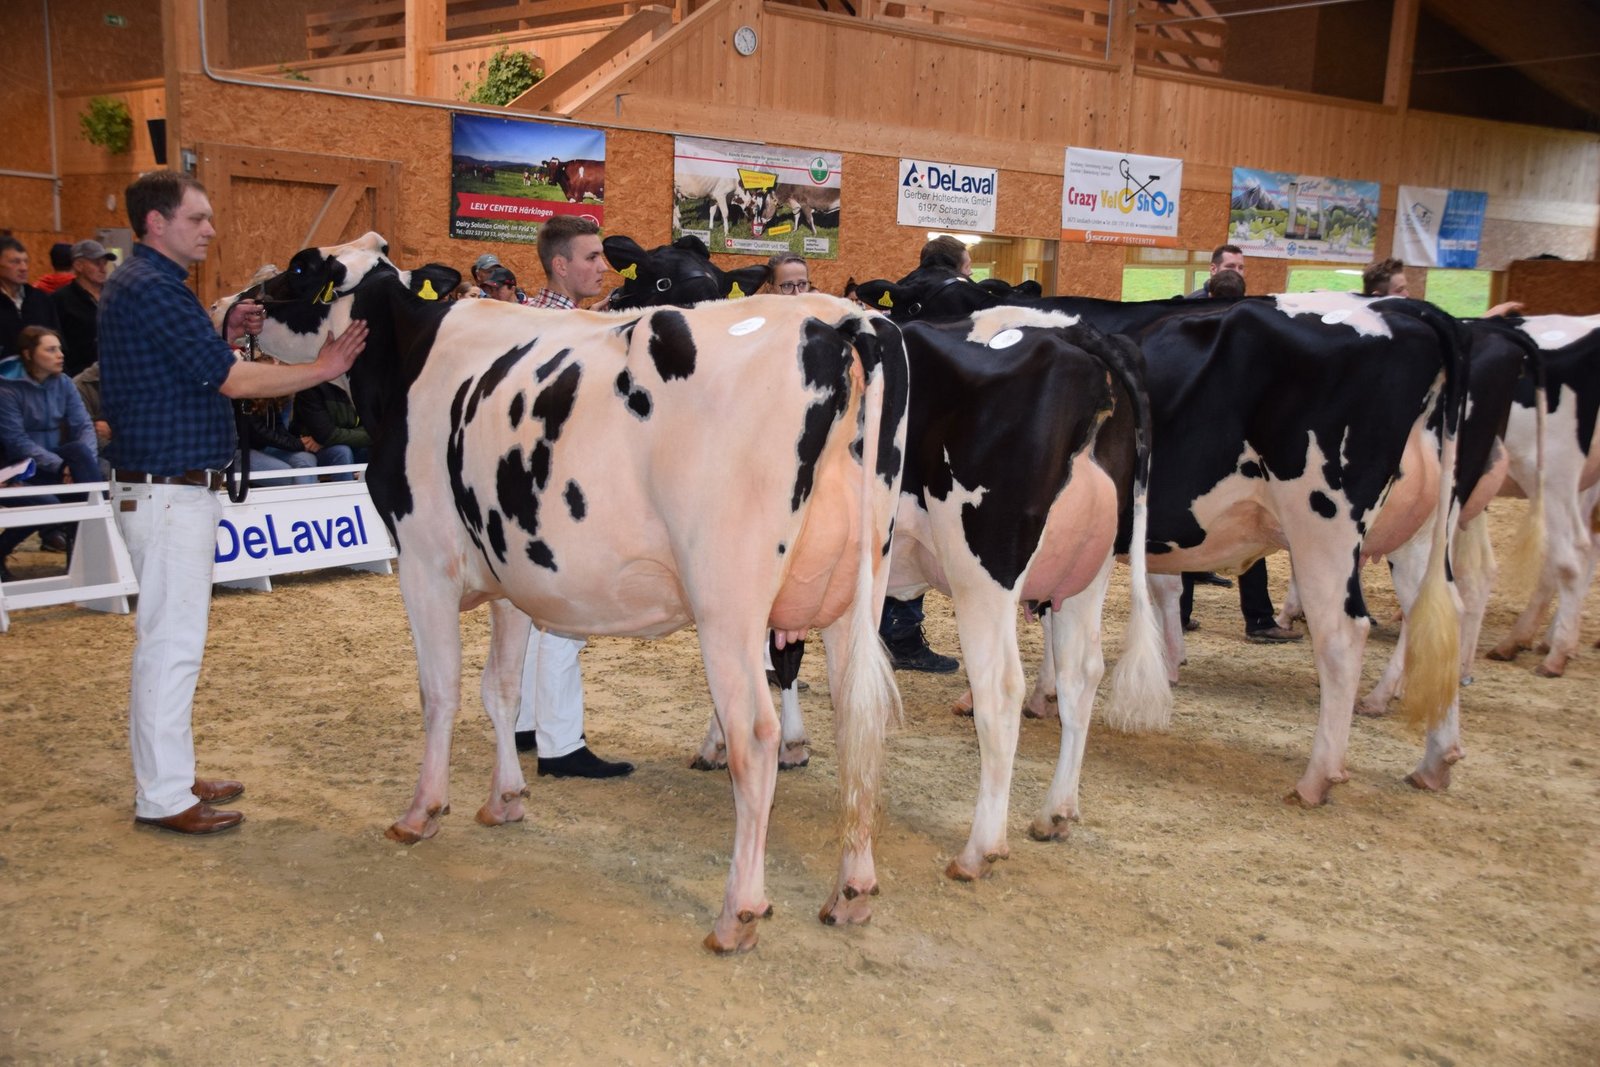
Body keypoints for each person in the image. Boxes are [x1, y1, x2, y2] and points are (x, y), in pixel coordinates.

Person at [100, 169, 368, 836]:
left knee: (173, 641)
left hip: (169, 487)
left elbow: (186, 369)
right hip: (168, 488)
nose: (210, 230)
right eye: (197, 218)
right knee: (171, 645)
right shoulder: (153, 288)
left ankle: (171, 773)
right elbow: (228, 379)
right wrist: (323, 368)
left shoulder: (149, 283)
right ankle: (162, 795)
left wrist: (221, 326)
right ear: (156, 222)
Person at [513, 215, 632, 777]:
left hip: (523, 490)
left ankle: (527, 722)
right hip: (559, 489)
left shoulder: (530, 319)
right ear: (560, 265)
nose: (602, 267)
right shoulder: (562, 331)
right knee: (565, 615)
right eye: (591, 257)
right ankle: (560, 746)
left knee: (528, 611)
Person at [1181, 245, 1301, 644]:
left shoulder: (1203, 318)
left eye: (1241, 266)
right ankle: (1256, 618)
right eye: (1233, 266)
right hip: (1225, 441)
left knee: (1225, 526)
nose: (1238, 270)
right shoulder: (1190, 315)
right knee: (1242, 527)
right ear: (1213, 270)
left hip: (1217, 441)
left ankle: (1251, 617)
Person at [876, 237, 971, 674]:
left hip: (890, 426)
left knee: (893, 530)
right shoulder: (966, 297)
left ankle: (887, 632)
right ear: (959, 265)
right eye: (968, 267)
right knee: (923, 531)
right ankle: (903, 637)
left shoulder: (897, 292)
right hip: (942, 429)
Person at [0, 326, 99, 565]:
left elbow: (84, 426)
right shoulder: (7, 389)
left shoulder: (63, 382)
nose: (60, 355)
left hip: (57, 461)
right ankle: (94, 543)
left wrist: (80, 465)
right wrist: (61, 466)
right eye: (51, 350)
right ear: (29, 354)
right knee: (49, 504)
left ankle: (87, 553)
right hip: (18, 467)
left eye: (60, 349)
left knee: (80, 453)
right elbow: (17, 442)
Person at [52, 239, 116, 377]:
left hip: (115, 373)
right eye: (97, 263)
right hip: (79, 377)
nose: (103, 269)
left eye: (104, 263)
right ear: (79, 266)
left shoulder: (115, 296)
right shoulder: (60, 300)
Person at [292, 378, 370, 478]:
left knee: (375, 448)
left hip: (343, 443)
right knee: (341, 452)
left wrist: (330, 439)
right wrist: (329, 439)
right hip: (311, 449)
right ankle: (344, 488)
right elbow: (325, 434)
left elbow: (373, 427)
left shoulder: (361, 386)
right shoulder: (311, 387)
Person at [0, 237, 61, 360]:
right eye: (15, 262)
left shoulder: (41, 299)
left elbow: (58, 340)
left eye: (25, 261)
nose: (24, 268)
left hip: (42, 370)